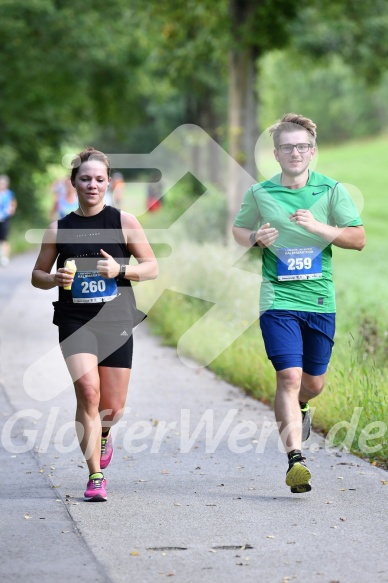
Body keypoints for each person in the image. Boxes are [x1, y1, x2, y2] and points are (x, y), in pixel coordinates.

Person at [233, 113, 365, 494]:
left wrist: (317, 227)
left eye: (302, 146)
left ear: (313, 151)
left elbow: (357, 239)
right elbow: (239, 231)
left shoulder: (331, 190)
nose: (295, 152)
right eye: (288, 146)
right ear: (276, 153)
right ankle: (295, 460)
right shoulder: (260, 193)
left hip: (320, 300)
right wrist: (255, 237)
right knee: (288, 377)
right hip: (278, 298)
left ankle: (303, 407)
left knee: (313, 383)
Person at [32, 148, 158, 502]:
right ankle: (95, 476)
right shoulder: (59, 228)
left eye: (99, 179)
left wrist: (122, 271)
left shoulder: (124, 222)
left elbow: (151, 267)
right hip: (75, 320)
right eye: (85, 178)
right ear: (73, 183)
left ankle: (103, 434)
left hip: (116, 318)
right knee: (88, 392)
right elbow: (37, 275)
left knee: (112, 408)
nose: (92, 185)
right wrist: (53, 277)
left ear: (110, 183)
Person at [0, 175, 17, 266]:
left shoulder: (9, 193)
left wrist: (11, 211)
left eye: (3, 183)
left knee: (4, 239)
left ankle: (4, 258)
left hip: (4, 219)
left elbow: (13, 204)